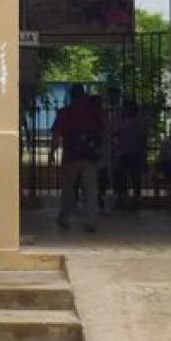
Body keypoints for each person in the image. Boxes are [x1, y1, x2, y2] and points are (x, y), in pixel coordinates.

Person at [51, 85, 104, 232]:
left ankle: (65, 217)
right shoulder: (93, 113)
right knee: (90, 190)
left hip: (71, 156)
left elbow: (56, 135)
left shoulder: (64, 113)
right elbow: (101, 133)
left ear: (71, 96)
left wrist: (52, 152)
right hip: (89, 157)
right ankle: (91, 221)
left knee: (68, 190)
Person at [112, 100, 148, 212]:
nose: (124, 110)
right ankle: (122, 197)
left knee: (135, 177)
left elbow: (142, 139)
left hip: (134, 153)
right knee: (120, 175)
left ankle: (135, 199)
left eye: (126, 108)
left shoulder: (138, 122)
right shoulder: (124, 121)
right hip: (124, 153)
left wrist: (142, 154)